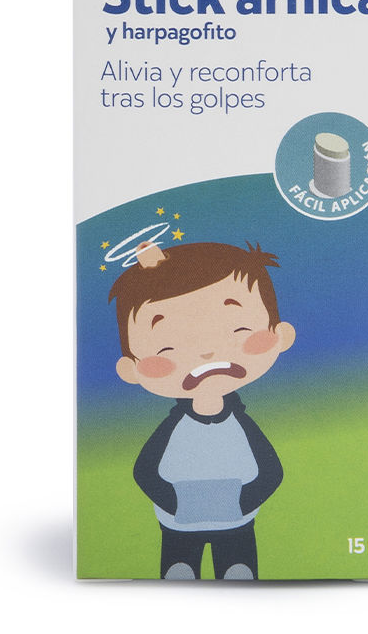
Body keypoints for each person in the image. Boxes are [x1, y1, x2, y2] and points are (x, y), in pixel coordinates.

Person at [109, 240, 296, 579]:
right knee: (178, 573)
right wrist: (178, 504)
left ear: (279, 335)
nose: (207, 352)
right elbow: (144, 471)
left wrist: (240, 502)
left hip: (238, 523)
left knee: (239, 573)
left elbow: (271, 471)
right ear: (131, 369)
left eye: (238, 330)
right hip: (177, 525)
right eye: (167, 347)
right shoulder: (174, 428)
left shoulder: (240, 424)